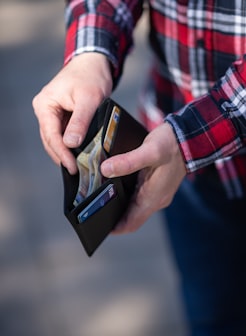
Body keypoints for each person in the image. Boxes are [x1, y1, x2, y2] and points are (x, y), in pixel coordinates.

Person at [33, 1, 246, 335]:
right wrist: (89, 54)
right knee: (213, 318)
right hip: (185, 169)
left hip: (181, 147)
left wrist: (187, 140)